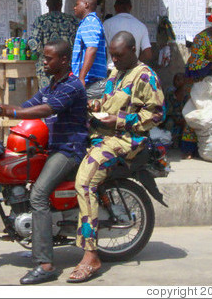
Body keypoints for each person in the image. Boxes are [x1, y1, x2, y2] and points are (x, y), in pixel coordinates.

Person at [0, 39, 87, 285]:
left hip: (69, 149)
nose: (43, 62)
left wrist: (7, 111)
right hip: (52, 147)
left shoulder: (72, 86)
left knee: (38, 195)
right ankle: (38, 238)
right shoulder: (52, 85)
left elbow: (43, 111)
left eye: (48, 58)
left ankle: (45, 264)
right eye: (44, 58)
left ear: (64, 60)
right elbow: (26, 106)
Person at [68, 31, 164, 284]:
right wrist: (97, 105)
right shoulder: (116, 72)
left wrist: (119, 121)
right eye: (112, 56)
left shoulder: (146, 76)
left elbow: (156, 115)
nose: (115, 60)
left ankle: (90, 254)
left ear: (133, 50)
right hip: (102, 133)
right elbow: (110, 99)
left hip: (125, 140)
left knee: (85, 183)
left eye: (119, 56)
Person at [28, 0, 80, 87]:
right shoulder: (72, 21)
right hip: (67, 66)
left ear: (47, 4)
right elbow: (78, 45)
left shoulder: (40, 21)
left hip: (47, 67)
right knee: (66, 95)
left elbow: (34, 45)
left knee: (48, 96)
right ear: (61, 3)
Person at [72, 0, 108, 99]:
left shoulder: (90, 22)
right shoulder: (88, 22)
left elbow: (91, 48)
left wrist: (81, 77)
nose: (74, 7)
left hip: (90, 81)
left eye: (77, 4)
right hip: (89, 80)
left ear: (86, 5)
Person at [102, 0, 153, 67]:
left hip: (113, 70)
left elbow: (101, 49)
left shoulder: (107, 24)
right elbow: (148, 54)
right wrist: (136, 64)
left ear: (115, 7)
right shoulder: (141, 26)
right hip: (132, 71)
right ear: (130, 7)